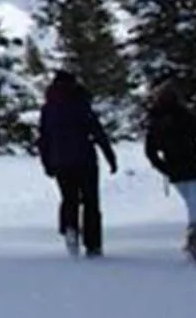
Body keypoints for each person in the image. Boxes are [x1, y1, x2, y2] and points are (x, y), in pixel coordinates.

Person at [37, 70, 118, 257]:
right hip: (85, 160)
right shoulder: (80, 104)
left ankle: (70, 227)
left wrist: (47, 163)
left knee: (69, 198)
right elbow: (97, 131)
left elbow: (44, 139)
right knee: (91, 202)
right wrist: (110, 156)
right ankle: (93, 245)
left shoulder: (48, 108)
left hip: (60, 161)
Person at [144, 82, 196, 261]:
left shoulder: (155, 122)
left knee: (193, 206)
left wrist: (163, 167)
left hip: (176, 172)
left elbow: (150, 151)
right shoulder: (189, 117)